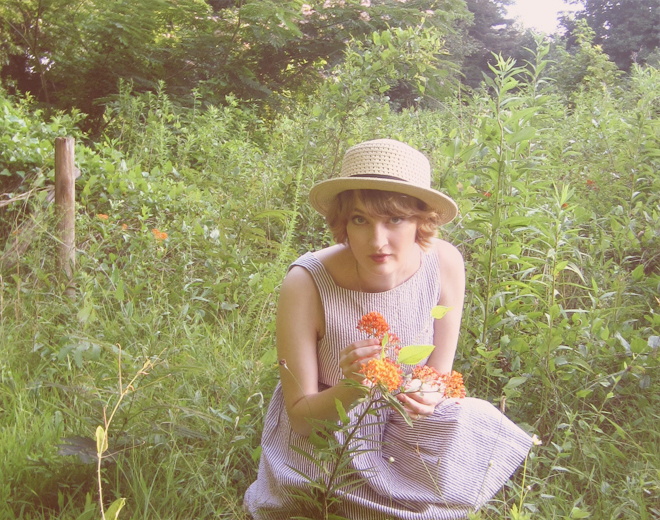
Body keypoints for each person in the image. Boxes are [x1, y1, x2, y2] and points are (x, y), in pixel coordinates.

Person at [244, 139, 532, 519]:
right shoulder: (306, 282)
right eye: (360, 219)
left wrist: (427, 391)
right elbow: (300, 418)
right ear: (343, 222)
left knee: (473, 417)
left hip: (405, 425)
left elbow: (438, 374)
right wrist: (354, 387)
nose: (376, 241)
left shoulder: (444, 262)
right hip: (329, 437)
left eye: (394, 219)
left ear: (421, 220)